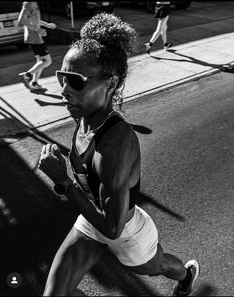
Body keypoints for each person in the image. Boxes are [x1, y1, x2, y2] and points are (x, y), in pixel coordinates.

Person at [38, 13, 199, 296]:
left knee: (158, 266)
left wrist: (64, 182)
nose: (63, 90)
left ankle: (186, 275)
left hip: (125, 232)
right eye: (62, 77)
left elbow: (113, 229)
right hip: (91, 218)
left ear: (110, 84)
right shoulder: (85, 115)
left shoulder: (115, 145)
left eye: (75, 81)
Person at [17, 2, 56, 92]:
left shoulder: (33, 3)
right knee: (47, 61)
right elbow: (21, 20)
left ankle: (34, 83)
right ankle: (27, 75)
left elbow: (33, 19)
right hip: (34, 37)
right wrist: (38, 30)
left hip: (35, 37)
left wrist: (46, 24)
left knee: (40, 61)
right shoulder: (28, 3)